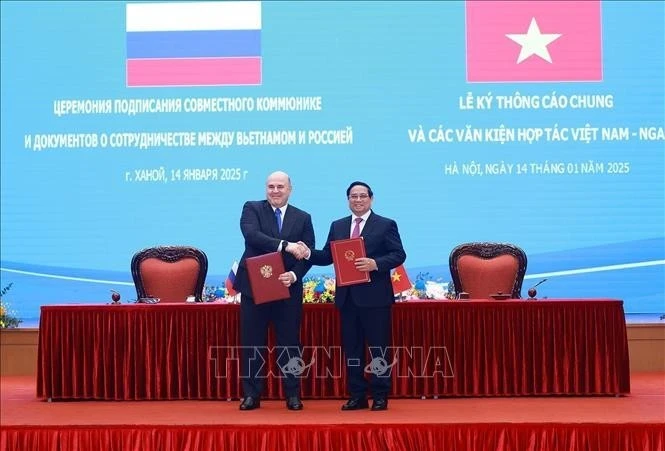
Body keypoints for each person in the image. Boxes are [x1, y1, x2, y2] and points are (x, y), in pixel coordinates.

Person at [303, 181, 406, 411]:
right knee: (353, 349)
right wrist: (307, 252)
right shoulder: (338, 225)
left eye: (362, 196)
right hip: (347, 298)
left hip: (375, 299)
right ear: (347, 199)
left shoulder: (385, 224)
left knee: (378, 348)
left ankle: (380, 395)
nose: (357, 200)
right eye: (353, 196)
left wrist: (375, 263)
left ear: (371, 199)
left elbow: (399, 254)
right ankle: (357, 395)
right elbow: (327, 256)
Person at [233, 171, 314, 411]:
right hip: (254, 289)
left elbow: (308, 252)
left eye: (280, 186)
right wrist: (286, 245)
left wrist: (295, 274)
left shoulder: (303, 217)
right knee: (252, 343)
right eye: (271, 186)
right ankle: (251, 395)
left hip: (287, 288)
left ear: (290, 189)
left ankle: (292, 394)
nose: (275, 191)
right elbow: (253, 236)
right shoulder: (252, 209)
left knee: (290, 344)